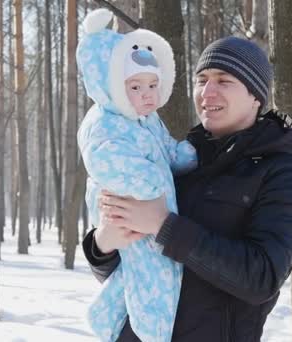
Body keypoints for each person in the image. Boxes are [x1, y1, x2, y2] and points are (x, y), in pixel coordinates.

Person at [82, 35, 292, 341]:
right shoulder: (178, 159)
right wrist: (103, 244)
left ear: (256, 96)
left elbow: (261, 278)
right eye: (202, 79)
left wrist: (163, 225)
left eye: (224, 80)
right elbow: (130, 270)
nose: (208, 91)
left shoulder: (284, 174)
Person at [76, 9, 197, 342]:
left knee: (141, 273)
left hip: (150, 215)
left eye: (153, 85)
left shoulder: (146, 119)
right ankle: (154, 332)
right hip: (131, 211)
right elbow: (104, 161)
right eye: (136, 86)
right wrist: (150, 183)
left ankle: (105, 315)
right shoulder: (103, 123)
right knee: (152, 278)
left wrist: (181, 155)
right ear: (110, 85)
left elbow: (163, 147)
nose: (148, 94)